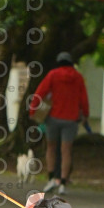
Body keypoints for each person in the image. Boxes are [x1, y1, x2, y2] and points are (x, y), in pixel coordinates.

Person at [30, 51, 89, 196]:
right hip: (71, 119)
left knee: (51, 147)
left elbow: (40, 92)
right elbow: (84, 98)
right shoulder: (78, 77)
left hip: (53, 118)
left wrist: (33, 109)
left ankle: (51, 178)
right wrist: (85, 114)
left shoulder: (53, 75)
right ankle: (63, 182)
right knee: (66, 150)